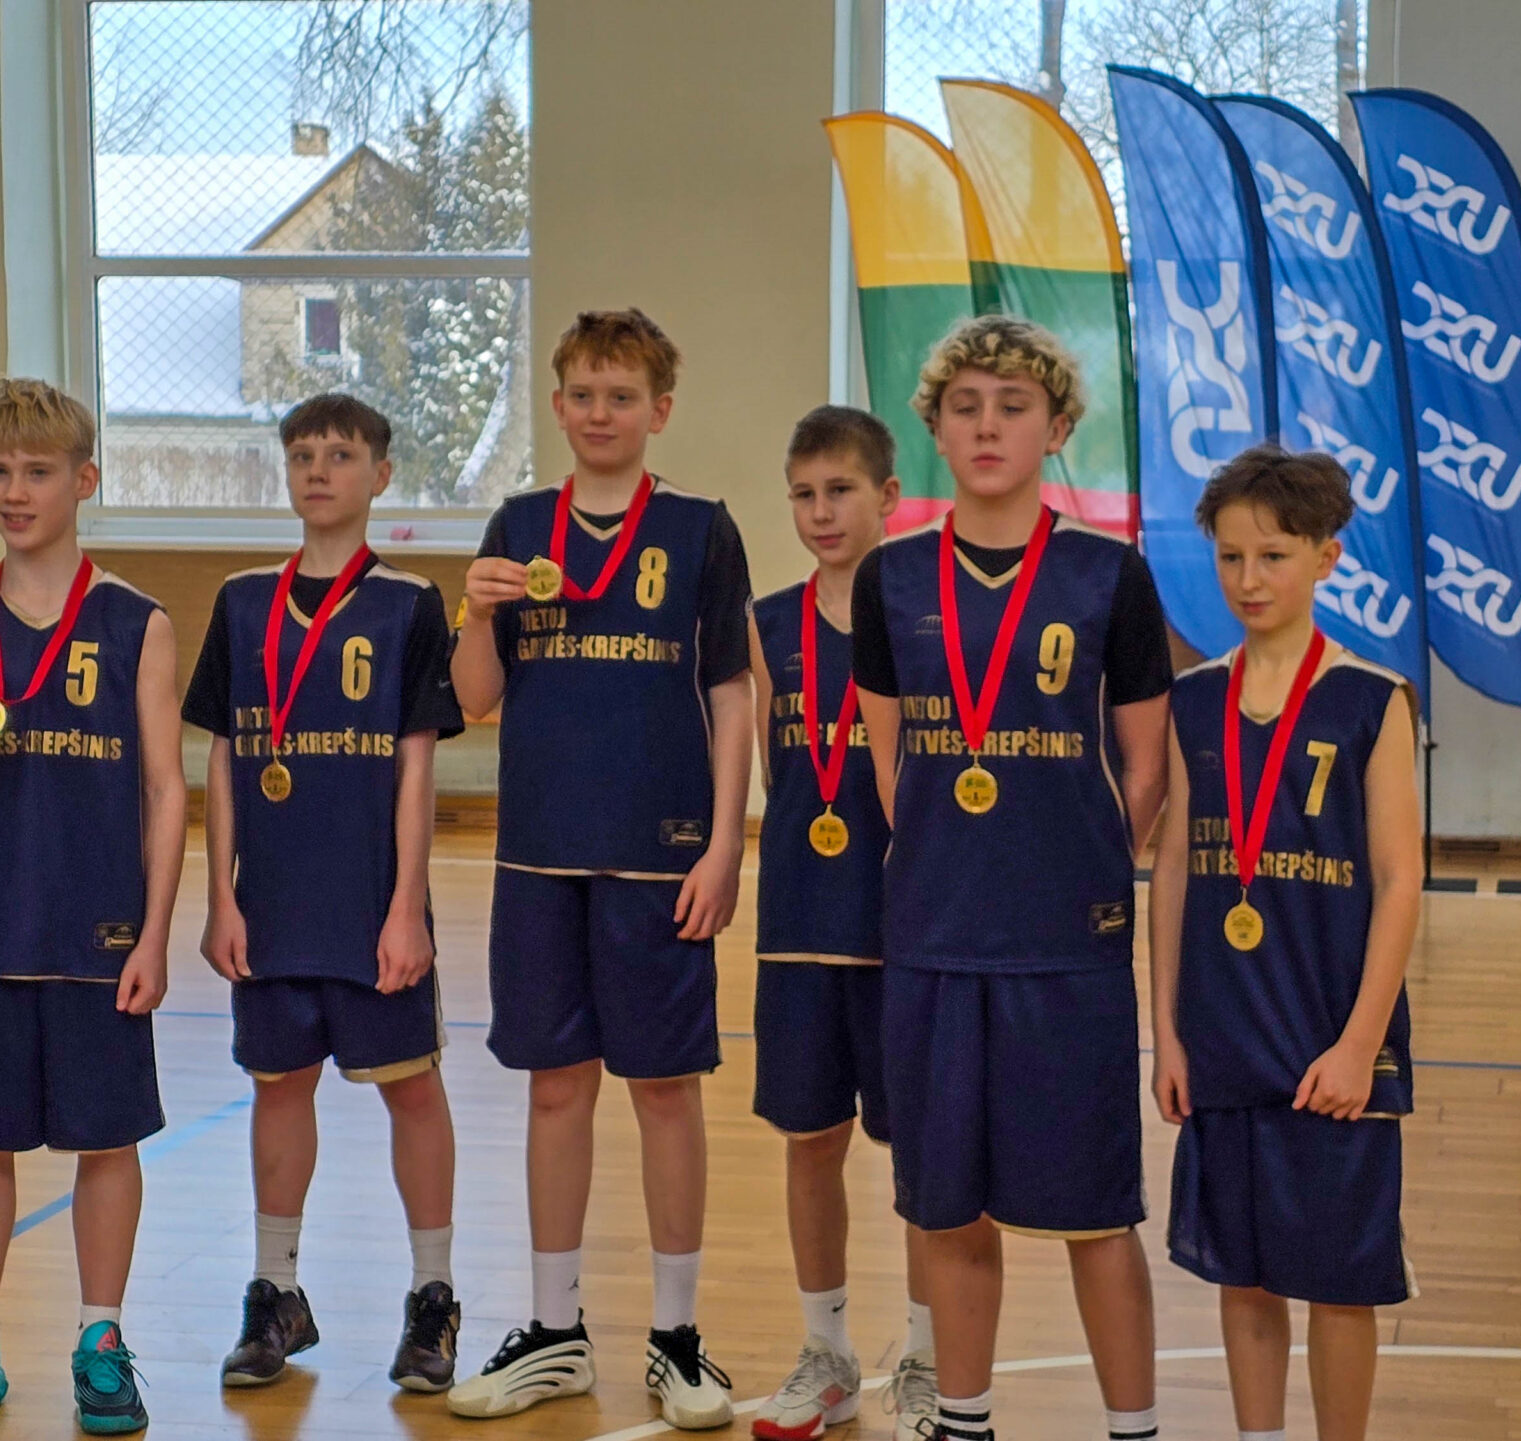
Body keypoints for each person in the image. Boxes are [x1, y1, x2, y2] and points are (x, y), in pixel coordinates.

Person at [852, 315, 1171, 1441]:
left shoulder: (1109, 575)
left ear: (1058, 428)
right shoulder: (890, 579)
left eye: (1014, 407)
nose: (988, 427)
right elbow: (889, 763)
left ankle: (1133, 1427)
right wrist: (953, 860)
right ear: (934, 430)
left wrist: (1078, 861)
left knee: (1096, 1212)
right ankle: (964, 1420)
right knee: (948, 1207)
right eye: (966, 407)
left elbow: (1145, 765)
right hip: (935, 935)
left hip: (1065, 940)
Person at [446, 308, 751, 1430]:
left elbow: (730, 693)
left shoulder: (701, 529)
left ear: (658, 409)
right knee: (554, 1087)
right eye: (582, 393)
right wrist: (474, 610)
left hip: (658, 859)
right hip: (538, 855)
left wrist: (725, 841)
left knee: (665, 1090)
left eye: (621, 395)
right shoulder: (520, 525)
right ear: (558, 403)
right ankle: (554, 1329)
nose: (600, 412)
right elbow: (474, 697)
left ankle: (676, 1337)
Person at [0, 379, 184, 1437]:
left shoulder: (137, 623)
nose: (14, 492)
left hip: (99, 934)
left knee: (107, 1144)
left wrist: (154, 933)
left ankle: (102, 1342)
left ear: (84, 480)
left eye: (37, 472)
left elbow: (166, 788)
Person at [184, 392, 466, 1392]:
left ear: (379, 475)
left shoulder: (408, 604)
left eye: (340, 454)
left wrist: (407, 905)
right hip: (271, 898)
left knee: (412, 1087)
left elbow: (417, 763)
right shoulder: (241, 602)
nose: (317, 469)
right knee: (278, 1085)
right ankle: (276, 1291)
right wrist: (219, 896)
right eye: (302, 453)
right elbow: (224, 757)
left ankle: (432, 1296)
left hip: (368, 898)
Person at [1149, 444, 1421, 1441]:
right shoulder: (1193, 700)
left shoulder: (1371, 699)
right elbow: (1173, 872)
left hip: (1330, 1042)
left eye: (1272, 555)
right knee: (1245, 1271)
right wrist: (1167, 1034)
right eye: (1230, 557)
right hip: (1225, 1035)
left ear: (1325, 558)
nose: (1248, 578)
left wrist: (1359, 1044)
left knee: (1341, 1279)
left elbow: (1400, 880)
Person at [745, 405, 936, 1441]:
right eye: (804, 494)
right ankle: (827, 1354)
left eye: (841, 491)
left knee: (923, 1157)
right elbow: (765, 772)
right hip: (800, 928)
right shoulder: (767, 623)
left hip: (910, 931)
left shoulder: (925, 616)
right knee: (809, 1140)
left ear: (888, 497)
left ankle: (931, 1356)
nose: (821, 512)